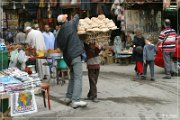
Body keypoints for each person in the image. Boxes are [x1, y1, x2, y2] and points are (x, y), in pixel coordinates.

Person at [55, 14, 87, 108]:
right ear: (64, 19)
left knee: (73, 76)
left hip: (68, 57)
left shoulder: (59, 32)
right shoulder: (70, 25)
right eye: (66, 16)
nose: (67, 17)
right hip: (75, 54)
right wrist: (76, 14)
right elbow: (77, 18)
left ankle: (68, 97)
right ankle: (76, 100)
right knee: (78, 77)